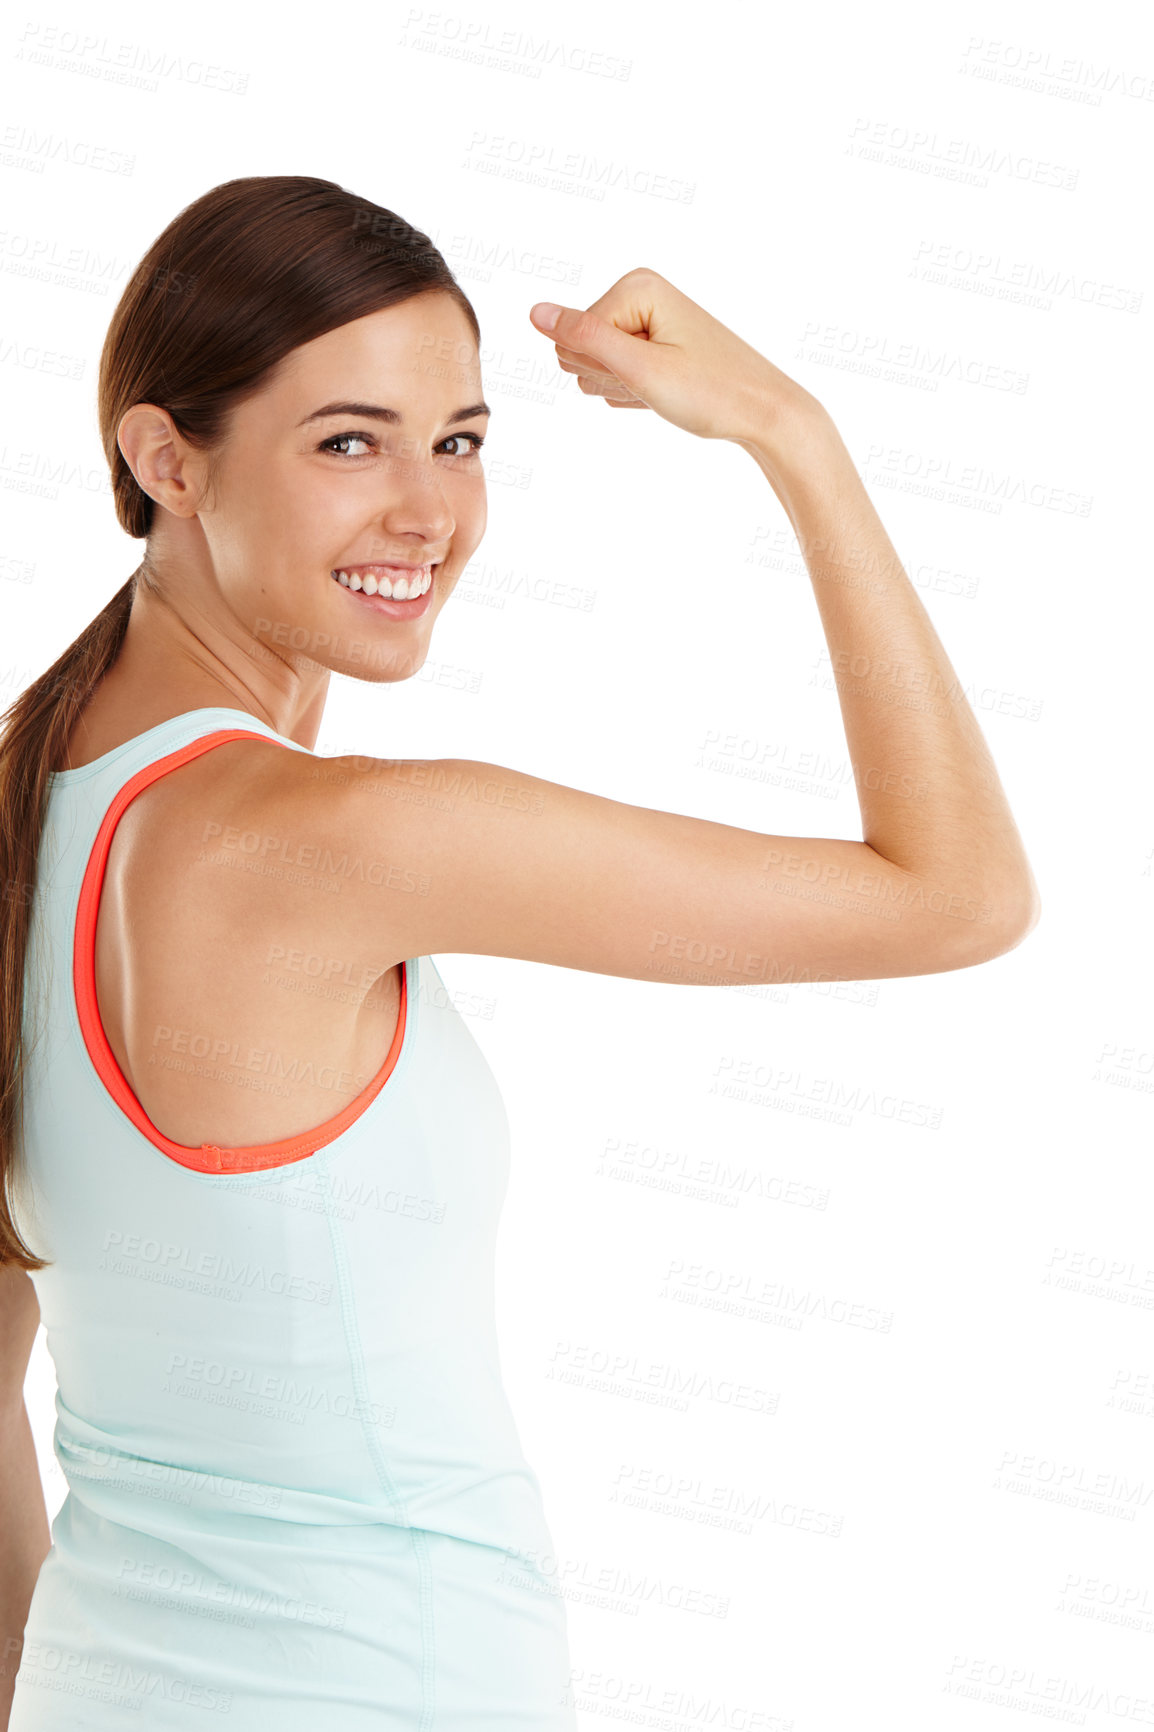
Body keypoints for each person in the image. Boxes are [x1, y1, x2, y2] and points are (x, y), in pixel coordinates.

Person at [0, 174, 1040, 1729]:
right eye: (349, 440)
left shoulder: (25, 795)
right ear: (165, 461)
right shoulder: (336, 840)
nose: (428, 510)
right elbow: (952, 893)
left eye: (462, 441)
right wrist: (793, 438)